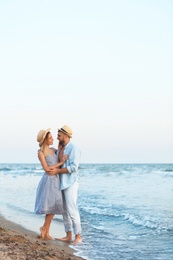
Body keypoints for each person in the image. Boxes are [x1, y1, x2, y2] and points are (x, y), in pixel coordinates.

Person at [48, 125, 82, 245]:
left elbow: (74, 167)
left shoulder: (73, 148)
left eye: (59, 134)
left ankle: (78, 236)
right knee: (64, 210)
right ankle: (68, 235)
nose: (57, 136)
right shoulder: (61, 148)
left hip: (70, 183)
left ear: (66, 135)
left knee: (72, 209)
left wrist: (57, 171)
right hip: (61, 183)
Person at [35, 128, 67, 240]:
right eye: (50, 138)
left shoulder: (53, 150)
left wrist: (62, 138)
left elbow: (62, 149)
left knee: (53, 207)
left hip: (56, 180)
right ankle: (45, 230)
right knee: (50, 208)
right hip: (49, 181)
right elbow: (47, 169)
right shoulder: (41, 153)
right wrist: (61, 163)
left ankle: (45, 230)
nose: (52, 139)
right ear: (44, 140)